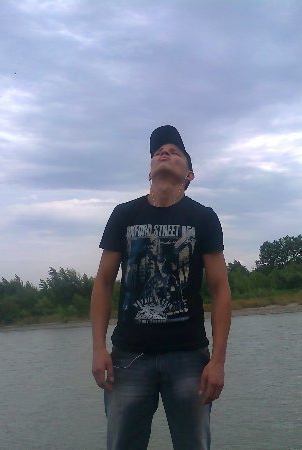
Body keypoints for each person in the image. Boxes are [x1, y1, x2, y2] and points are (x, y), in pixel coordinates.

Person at [91, 125, 232, 450]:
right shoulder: (124, 214)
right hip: (129, 357)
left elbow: (220, 290)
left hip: (188, 357)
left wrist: (217, 362)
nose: (164, 152)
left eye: (174, 151)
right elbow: (103, 283)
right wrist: (98, 349)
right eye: (158, 152)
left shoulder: (204, 218)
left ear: (189, 174)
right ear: (150, 171)